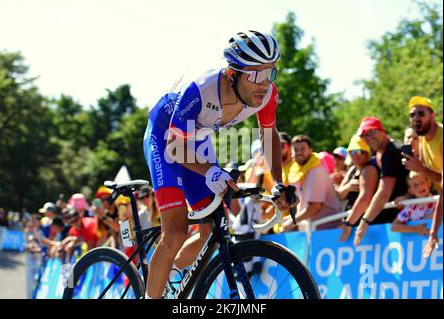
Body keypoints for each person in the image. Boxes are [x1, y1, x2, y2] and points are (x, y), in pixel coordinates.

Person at [142, 30, 295, 299]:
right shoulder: (200, 89)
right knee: (176, 230)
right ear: (233, 73)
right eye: (256, 74)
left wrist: (279, 183)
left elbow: (268, 134)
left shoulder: (267, 94)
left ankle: (165, 272)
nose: (264, 84)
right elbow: (175, 147)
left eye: (270, 72)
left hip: (197, 137)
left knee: (214, 229)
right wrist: (210, 170)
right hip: (165, 137)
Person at [354, 117, 409, 246]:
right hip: (398, 218)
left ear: (381, 131)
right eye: (364, 135)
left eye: (371, 132)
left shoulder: (391, 152)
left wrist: (365, 220)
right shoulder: (385, 152)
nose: (368, 138)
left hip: (401, 219)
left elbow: (384, 192)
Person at [279, 134, 340, 231]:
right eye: (296, 150)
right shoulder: (299, 171)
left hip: (327, 230)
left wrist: (292, 221)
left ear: (311, 150)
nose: (299, 152)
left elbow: (315, 207)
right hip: (311, 230)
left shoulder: (315, 171)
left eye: (303, 149)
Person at [336, 135, 380, 242]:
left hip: (368, 223)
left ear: (367, 152)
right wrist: (348, 187)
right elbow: (338, 195)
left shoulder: (370, 168)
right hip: (354, 222)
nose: (355, 155)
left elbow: (365, 198)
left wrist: (348, 223)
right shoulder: (352, 170)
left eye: (359, 151)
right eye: (351, 152)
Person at [402, 96, 442, 190]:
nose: (416, 118)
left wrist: (420, 168)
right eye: (412, 115)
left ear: (432, 116)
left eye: (421, 113)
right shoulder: (422, 138)